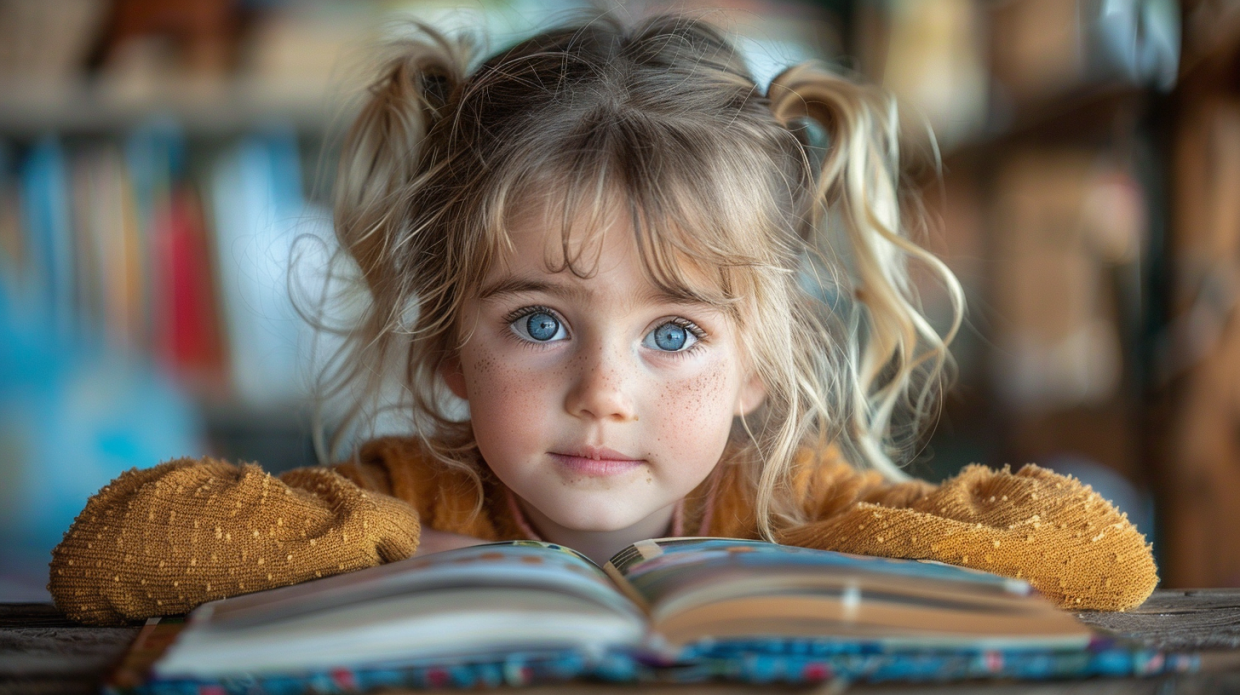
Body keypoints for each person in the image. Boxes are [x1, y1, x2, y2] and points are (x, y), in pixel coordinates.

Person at [48, 15, 1157, 626]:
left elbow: (1099, 555)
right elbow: (108, 548)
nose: (603, 392)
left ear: (758, 361)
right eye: (537, 322)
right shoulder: (416, 490)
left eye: (673, 333)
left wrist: (802, 556)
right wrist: (414, 549)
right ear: (446, 347)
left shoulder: (794, 499)